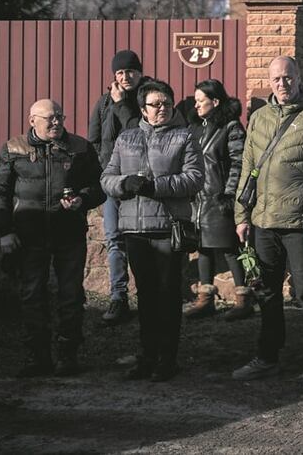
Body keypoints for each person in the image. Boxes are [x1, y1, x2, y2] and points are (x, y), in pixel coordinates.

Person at [232, 56, 303, 392]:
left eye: (288, 77)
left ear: (299, 78)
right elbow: (247, 167)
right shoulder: (259, 118)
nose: (282, 84)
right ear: (270, 81)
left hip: (299, 223)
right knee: (267, 293)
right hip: (264, 221)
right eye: (277, 79)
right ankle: (267, 357)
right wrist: (241, 214)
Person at [0, 99, 105, 377]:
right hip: (28, 236)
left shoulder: (80, 148)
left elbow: (99, 185)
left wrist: (83, 199)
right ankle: (37, 357)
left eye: (60, 117)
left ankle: (68, 356)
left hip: (69, 234)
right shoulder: (13, 149)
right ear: (32, 121)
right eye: (50, 118)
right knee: (32, 295)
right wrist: (5, 231)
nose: (56, 122)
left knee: (71, 295)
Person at [101, 80, 203, 382]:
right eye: (156, 104)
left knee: (168, 294)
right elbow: (107, 177)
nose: (163, 109)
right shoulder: (126, 138)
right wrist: (124, 184)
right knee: (144, 295)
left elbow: (195, 178)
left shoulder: (184, 137)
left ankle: (167, 359)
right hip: (135, 228)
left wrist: (156, 186)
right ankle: (146, 356)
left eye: (167, 103)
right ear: (143, 109)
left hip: (168, 228)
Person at [88, 49, 150, 326]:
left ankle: (150, 296)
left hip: (140, 183)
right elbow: (94, 142)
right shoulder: (103, 103)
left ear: (139, 72)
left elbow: (139, 134)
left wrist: (122, 104)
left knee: (144, 241)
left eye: (130, 71)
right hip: (112, 184)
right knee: (115, 240)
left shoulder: (148, 99)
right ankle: (118, 297)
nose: (125, 76)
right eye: (120, 72)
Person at [183, 79, 252, 320]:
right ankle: (205, 299)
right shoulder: (196, 128)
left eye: (201, 100)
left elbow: (239, 163)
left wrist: (229, 195)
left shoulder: (231, 127)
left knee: (229, 248)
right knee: (203, 248)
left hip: (219, 198)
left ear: (215, 101)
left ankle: (243, 300)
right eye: (195, 100)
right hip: (199, 200)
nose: (197, 105)